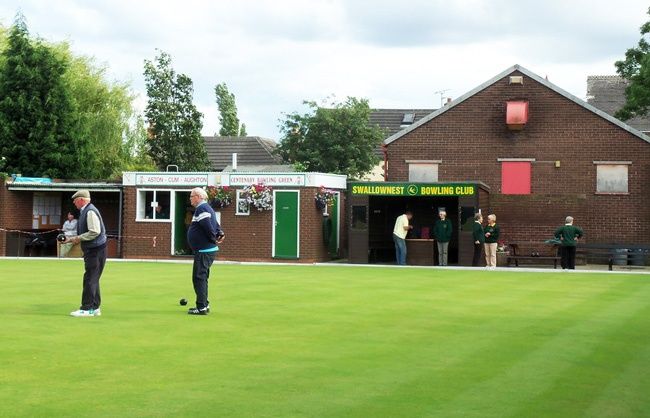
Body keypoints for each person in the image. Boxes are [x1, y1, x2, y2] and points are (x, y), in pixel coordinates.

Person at [67, 190, 107, 317]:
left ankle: (86, 308)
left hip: (95, 250)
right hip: (96, 249)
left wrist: (78, 238)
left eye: (75, 200)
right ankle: (95, 307)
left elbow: (94, 232)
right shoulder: (87, 210)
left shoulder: (89, 211)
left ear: (82, 200)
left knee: (90, 278)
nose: (74, 202)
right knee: (93, 278)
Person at [187, 187, 225, 315]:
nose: (190, 199)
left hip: (204, 250)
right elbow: (215, 224)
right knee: (202, 277)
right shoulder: (207, 208)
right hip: (205, 249)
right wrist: (220, 232)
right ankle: (204, 304)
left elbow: (208, 227)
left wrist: (213, 238)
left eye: (191, 196)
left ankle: (201, 307)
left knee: (199, 277)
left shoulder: (202, 208)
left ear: (198, 197)